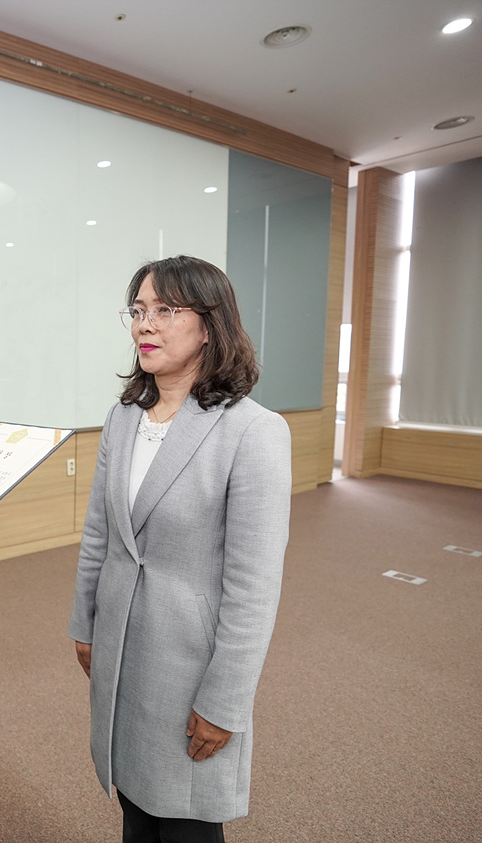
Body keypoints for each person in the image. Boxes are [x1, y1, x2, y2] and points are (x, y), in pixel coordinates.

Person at [68, 256, 291, 842]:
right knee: (136, 806)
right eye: (138, 310)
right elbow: (100, 534)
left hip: (189, 661)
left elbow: (254, 588)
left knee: (186, 818)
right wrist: (86, 624)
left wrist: (226, 701)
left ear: (210, 327)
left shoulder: (253, 432)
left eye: (166, 310)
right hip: (122, 645)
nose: (145, 324)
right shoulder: (124, 418)